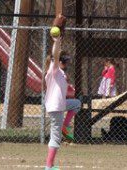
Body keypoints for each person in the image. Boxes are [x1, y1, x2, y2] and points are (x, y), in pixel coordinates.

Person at [44, 36, 81, 170]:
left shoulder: (60, 73)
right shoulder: (53, 70)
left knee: (76, 103)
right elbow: (55, 54)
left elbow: (64, 91)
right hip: (56, 107)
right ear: (57, 62)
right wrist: (57, 42)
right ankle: (49, 167)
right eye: (64, 62)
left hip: (60, 104)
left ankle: (65, 126)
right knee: (55, 137)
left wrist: (70, 89)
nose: (66, 65)